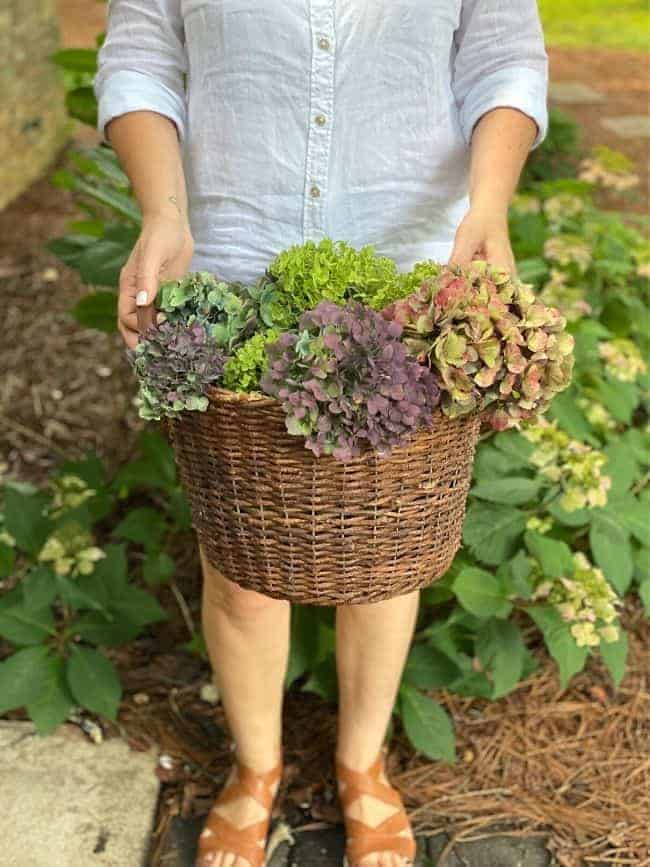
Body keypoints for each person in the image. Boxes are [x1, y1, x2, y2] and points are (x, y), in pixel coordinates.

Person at [94, 2, 548, 865]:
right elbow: (145, 51)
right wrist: (161, 213)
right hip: (228, 255)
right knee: (241, 561)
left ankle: (361, 762)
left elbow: (502, 54)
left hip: (414, 260)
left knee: (383, 549)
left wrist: (488, 207)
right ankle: (256, 767)